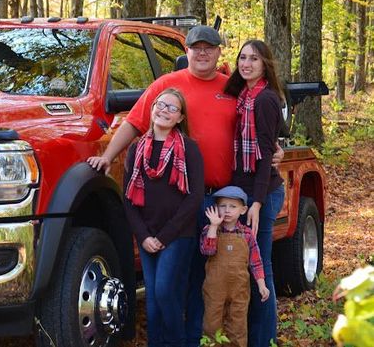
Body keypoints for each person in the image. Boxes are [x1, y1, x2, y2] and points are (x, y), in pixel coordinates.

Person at [87, 26, 282, 346]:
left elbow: (260, 122)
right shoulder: (166, 86)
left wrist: (276, 149)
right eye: (196, 47)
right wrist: (108, 156)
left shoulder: (231, 87)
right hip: (179, 202)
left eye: (209, 47)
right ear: (186, 51)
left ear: (220, 53)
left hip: (221, 200)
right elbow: (135, 123)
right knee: (177, 280)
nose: (202, 53)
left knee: (218, 276)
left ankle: (214, 339)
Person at [123, 88, 204, 347]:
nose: (164, 111)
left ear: (180, 117)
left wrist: (165, 236)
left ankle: (177, 341)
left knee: (164, 290)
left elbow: (195, 197)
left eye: (172, 108)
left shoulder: (189, 148)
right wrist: (145, 236)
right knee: (154, 301)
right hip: (147, 234)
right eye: (161, 105)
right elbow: (128, 198)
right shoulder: (136, 149)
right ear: (152, 108)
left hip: (178, 234)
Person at [223, 40, 286, 347]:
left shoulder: (264, 100)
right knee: (247, 270)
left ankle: (265, 341)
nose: (246, 63)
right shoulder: (243, 95)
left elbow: (263, 156)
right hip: (244, 191)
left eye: (254, 59)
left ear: (265, 65)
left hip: (263, 193)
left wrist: (257, 204)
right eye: (242, 57)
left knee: (260, 270)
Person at [200, 186, 269, 347]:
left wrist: (261, 284)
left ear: (243, 210)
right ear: (216, 208)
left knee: (237, 326)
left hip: (239, 290)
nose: (227, 211)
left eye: (233, 206)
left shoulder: (247, 234)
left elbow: (256, 261)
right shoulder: (210, 230)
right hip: (214, 289)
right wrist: (213, 226)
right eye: (223, 206)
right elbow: (207, 250)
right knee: (211, 323)